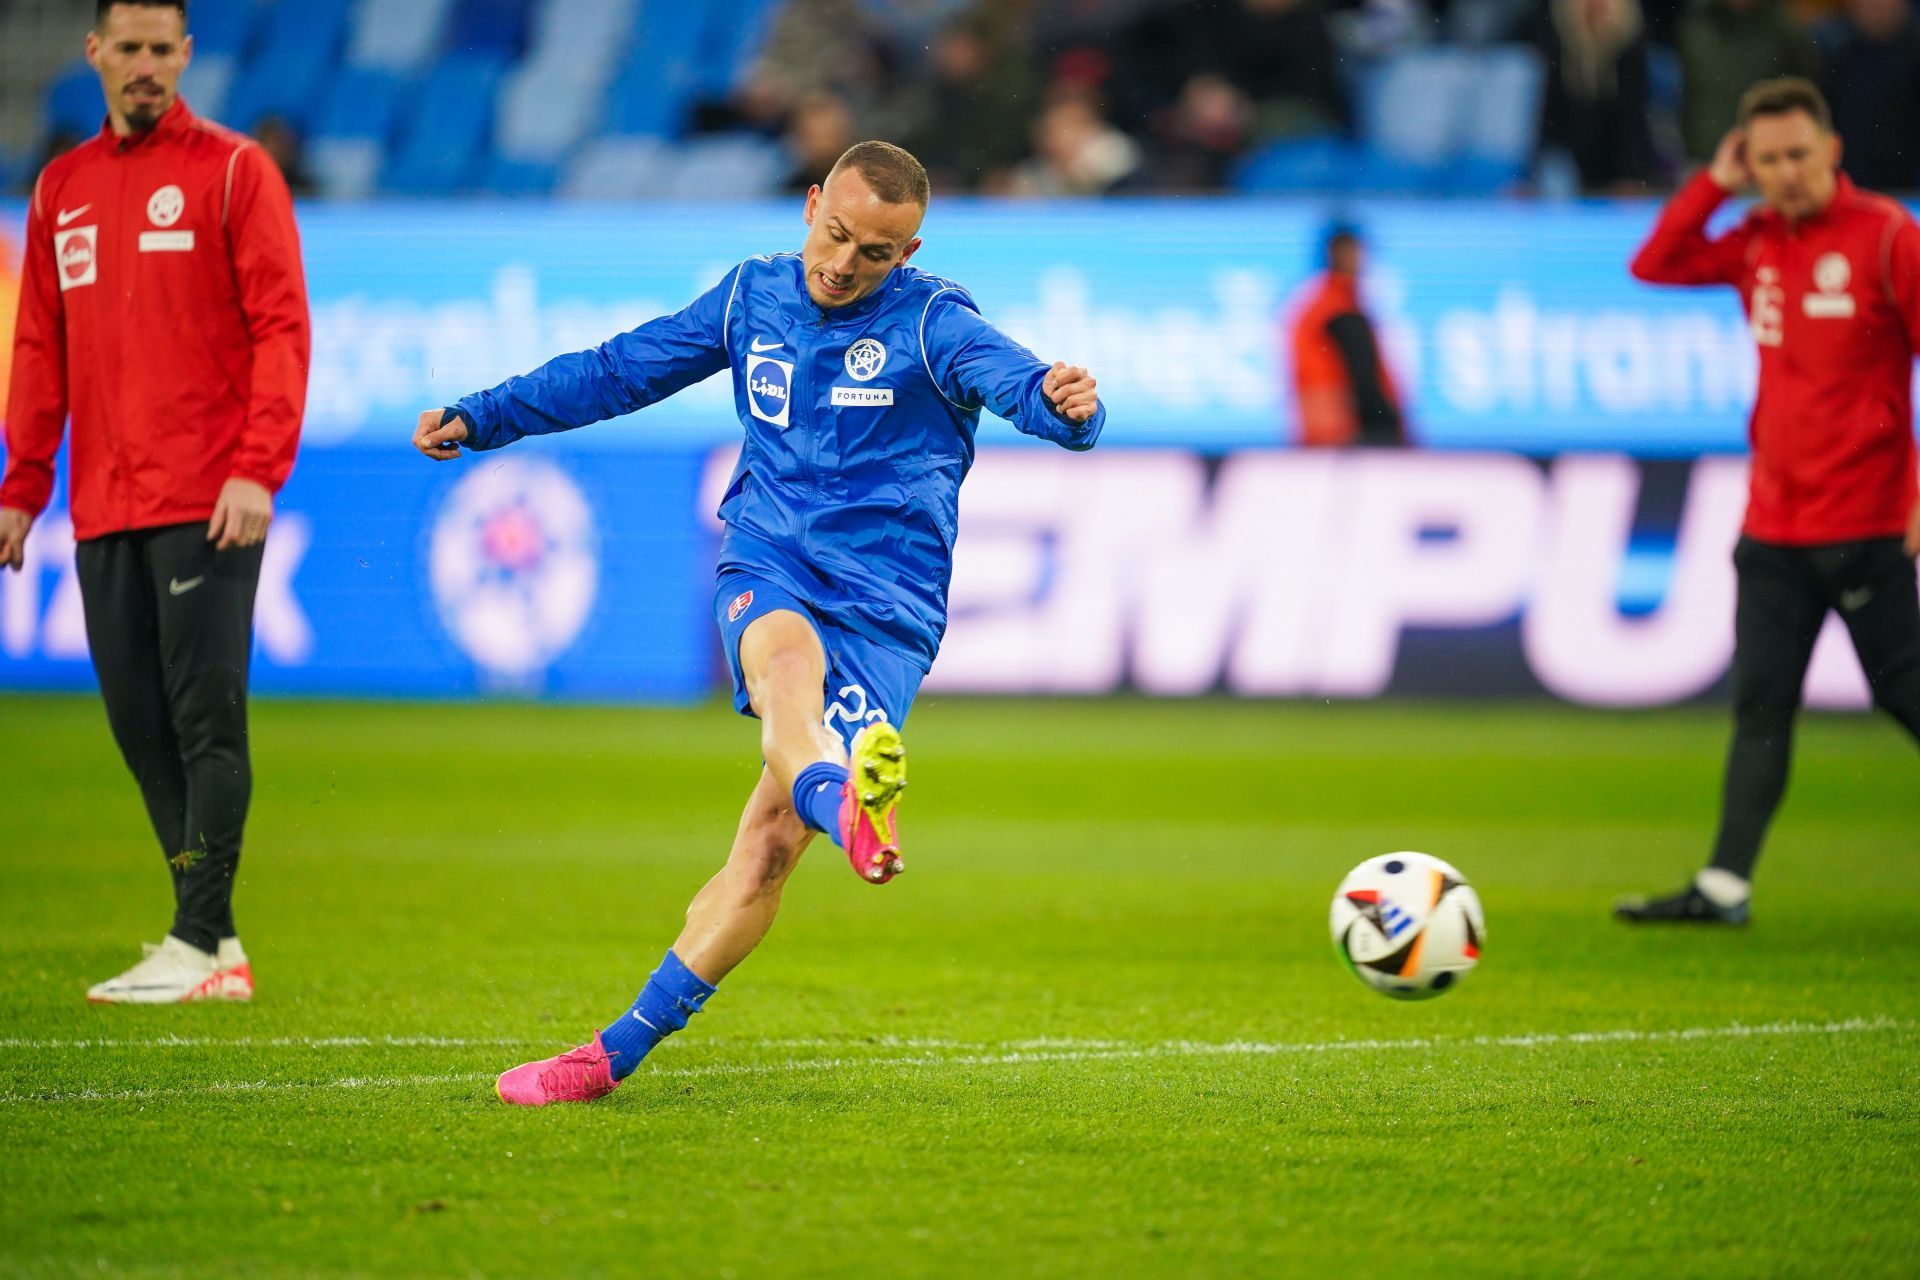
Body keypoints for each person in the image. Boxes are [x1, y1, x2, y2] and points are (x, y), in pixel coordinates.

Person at [411, 140, 1104, 1105]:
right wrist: (488, 415)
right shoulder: (751, 297)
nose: (844, 263)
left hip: (888, 604)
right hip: (770, 558)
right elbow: (620, 370)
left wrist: (1068, 409)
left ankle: (612, 1054)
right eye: (836, 234)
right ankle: (848, 800)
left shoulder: (938, 322)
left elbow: (1024, 386)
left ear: (906, 255)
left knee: (766, 850)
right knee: (784, 669)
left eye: (875, 253)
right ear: (811, 203)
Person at [0, 0, 310, 998]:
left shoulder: (232, 172)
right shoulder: (62, 189)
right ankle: (212, 944)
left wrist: (257, 466)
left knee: (204, 720)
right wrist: (22, 483)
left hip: (209, 495)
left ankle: (196, 934)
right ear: (94, 54)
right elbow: (39, 347)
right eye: (126, 49)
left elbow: (282, 327)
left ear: (186, 56)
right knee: (141, 727)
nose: (145, 66)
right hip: (104, 502)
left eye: (161, 50)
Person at [1619, 78, 1920, 924]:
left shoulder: (1889, 237)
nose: (1785, 173)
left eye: (1797, 155)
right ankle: (1724, 887)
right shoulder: (1754, 240)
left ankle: (1724, 885)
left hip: (1864, 524)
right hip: (1774, 528)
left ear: (1832, 151)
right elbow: (1654, 263)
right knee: (1761, 706)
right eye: (1766, 159)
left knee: (1905, 694)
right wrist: (1712, 185)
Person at [1288, 222, 1406, 447]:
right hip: (1348, 434)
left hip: (1318, 433)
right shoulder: (1341, 309)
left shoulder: (1313, 305)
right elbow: (1365, 380)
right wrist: (1389, 429)